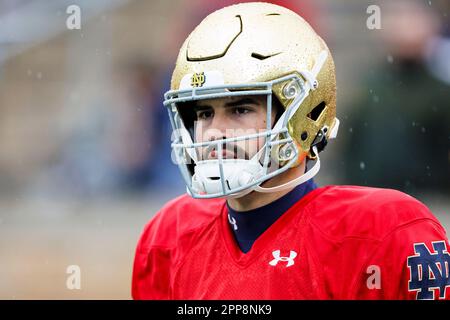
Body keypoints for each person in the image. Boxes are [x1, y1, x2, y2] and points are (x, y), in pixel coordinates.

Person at [132, 2, 450, 300]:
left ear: (302, 114)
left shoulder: (384, 233)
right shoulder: (169, 238)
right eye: (203, 113)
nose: (215, 131)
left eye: (240, 110)